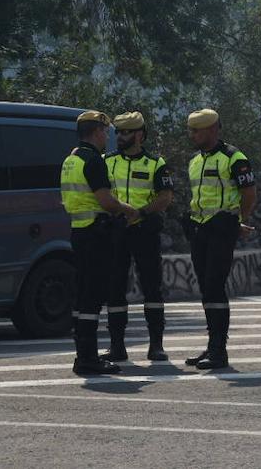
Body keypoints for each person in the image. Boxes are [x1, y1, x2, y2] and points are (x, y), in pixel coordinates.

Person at [60, 110, 137, 375]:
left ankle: (82, 355)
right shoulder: (93, 161)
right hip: (96, 233)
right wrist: (128, 209)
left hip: (79, 232)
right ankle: (89, 359)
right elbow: (106, 200)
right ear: (96, 132)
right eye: (105, 132)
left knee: (82, 298)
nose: (107, 137)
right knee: (92, 298)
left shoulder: (71, 159)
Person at [184, 109, 257, 370]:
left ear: (213, 129)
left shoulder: (233, 158)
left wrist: (240, 220)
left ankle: (219, 350)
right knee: (206, 287)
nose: (192, 135)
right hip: (199, 228)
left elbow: (249, 193)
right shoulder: (195, 160)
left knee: (215, 286)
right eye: (191, 130)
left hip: (222, 227)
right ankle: (212, 345)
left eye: (197, 131)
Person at [103, 111, 175, 362]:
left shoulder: (156, 163)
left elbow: (165, 197)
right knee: (114, 287)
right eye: (118, 132)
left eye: (125, 132)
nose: (120, 136)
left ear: (140, 135)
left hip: (144, 230)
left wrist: (141, 213)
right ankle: (117, 346)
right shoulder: (106, 161)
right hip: (116, 230)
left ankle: (156, 345)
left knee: (152, 287)